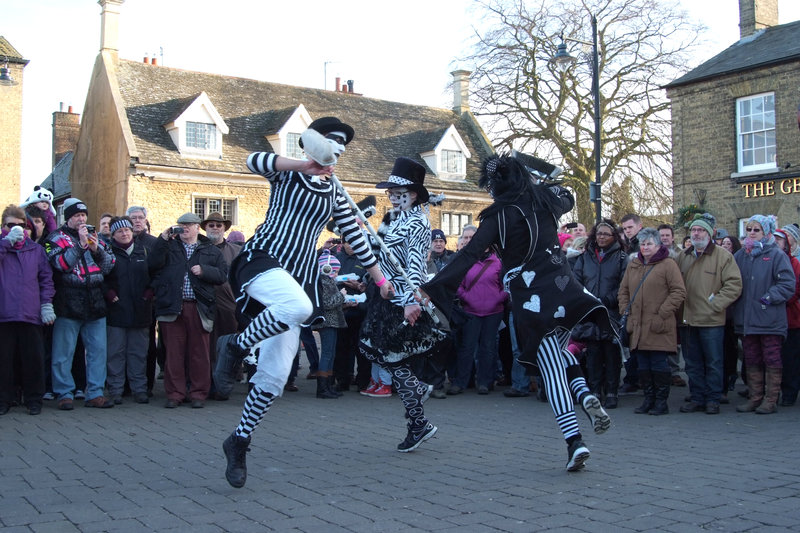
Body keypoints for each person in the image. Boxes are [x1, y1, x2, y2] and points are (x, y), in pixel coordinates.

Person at [215, 117, 392, 488]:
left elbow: (356, 240)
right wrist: (303, 165)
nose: (338, 149)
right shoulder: (288, 174)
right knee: (299, 308)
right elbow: (252, 161)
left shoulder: (335, 193)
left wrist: (380, 278)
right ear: (312, 143)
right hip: (264, 260)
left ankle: (239, 440)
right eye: (332, 142)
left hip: (296, 278)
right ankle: (234, 345)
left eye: (343, 145)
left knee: (276, 376)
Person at [421, 153, 613, 471]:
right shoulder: (548, 202)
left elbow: (468, 254)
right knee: (561, 351)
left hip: (532, 299)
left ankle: (574, 440)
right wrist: (542, 175)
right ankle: (583, 393)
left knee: (551, 370)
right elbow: (563, 187)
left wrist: (432, 288)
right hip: (567, 289)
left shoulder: (498, 218)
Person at [359, 157, 446, 450]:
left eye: (400, 194)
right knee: (388, 357)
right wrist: (361, 229)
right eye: (392, 194)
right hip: (385, 295)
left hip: (401, 300)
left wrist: (410, 302)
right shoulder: (394, 218)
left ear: (413, 195)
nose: (394, 199)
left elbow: (415, 266)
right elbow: (376, 251)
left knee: (395, 360)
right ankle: (419, 413)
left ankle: (419, 423)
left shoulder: (419, 223)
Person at [44, 198, 116, 410]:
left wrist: (96, 249)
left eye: (83, 215)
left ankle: (94, 393)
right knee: (63, 352)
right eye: (77, 216)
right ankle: (64, 392)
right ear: (68, 218)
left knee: (97, 351)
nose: (81, 219)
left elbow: (110, 265)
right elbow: (61, 265)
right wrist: (80, 246)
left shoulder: (97, 237)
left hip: (95, 299)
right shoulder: (54, 238)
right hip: (68, 299)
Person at [151, 213, 227, 408]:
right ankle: (175, 394)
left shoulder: (210, 250)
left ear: (197, 228)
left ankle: (198, 394)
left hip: (199, 307)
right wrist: (162, 239)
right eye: (181, 225)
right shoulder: (169, 246)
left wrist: (204, 271)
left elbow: (222, 275)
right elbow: (152, 265)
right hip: (173, 307)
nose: (184, 228)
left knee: (199, 352)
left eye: (189, 225)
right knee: (174, 353)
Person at [675, 214, 742, 415]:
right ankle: (697, 397)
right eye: (694, 230)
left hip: (711, 320)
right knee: (692, 363)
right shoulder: (683, 256)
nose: (696, 233)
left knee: (713, 362)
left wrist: (715, 304)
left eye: (701, 230)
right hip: (687, 320)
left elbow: (734, 284)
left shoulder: (723, 256)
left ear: (710, 233)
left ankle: (713, 398)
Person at [618, 228, 686, 415]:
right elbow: (623, 291)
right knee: (643, 365)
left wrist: (663, 312)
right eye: (643, 243)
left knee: (658, 364)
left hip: (658, 323)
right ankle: (648, 399)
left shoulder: (668, 265)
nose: (645, 247)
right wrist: (626, 311)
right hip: (637, 324)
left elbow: (678, 291)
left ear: (658, 245)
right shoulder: (634, 265)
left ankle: (661, 401)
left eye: (649, 244)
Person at [733, 215, 795, 414]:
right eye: (749, 229)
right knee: (751, 359)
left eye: (756, 230)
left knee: (772, 359)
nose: (751, 233)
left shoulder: (777, 255)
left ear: (766, 232)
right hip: (747, 320)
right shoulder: (741, 256)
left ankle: (770, 399)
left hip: (769, 319)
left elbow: (787, 284)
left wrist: (769, 297)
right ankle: (755, 397)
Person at [0, 205, 55, 415]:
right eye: (10, 225)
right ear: (3, 226)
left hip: (29, 314)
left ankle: (34, 400)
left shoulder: (36, 250)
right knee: (4, 362)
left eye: (21, 225)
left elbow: (45, 279)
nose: (16, 229)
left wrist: (46, 304)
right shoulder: (2, 246)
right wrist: (6, 244)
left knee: (33, 360)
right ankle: (4, 399)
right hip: (4, 314)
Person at [572, 220, 627, 409]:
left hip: (610, 312)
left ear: (614, 237)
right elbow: (576, 281)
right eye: (599, 234)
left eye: (606, 234)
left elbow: (623, 284)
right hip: (590, 311)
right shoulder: (585, 257)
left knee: (611, 354)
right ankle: (594, 390)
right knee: (593, 353)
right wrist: (588, 300)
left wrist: (607, 300)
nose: (602, 237)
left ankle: (612, 391)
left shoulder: (621, 257)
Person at [103, 216, 154, 404]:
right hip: (116, 310)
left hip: (141, 310)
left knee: (138, 353)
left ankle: (139, 389)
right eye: (119, 231)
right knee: (115, 353)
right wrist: (109, 294)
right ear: (113, 235)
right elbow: (100, 276)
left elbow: (156, 274)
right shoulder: (108, 253)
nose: (124, 234)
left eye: (127, 230)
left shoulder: (145, 251)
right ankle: (115, 389)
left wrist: (149, 292)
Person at [449, 246, 506, 395]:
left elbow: (506, 286)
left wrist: (496, 299)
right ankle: (460, 382)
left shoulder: (498, 263)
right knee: (467, 347)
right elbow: (458, 285)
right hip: (470, 311)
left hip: (493, 312)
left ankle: (484, 382)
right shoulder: (467, 261)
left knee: (488, 347)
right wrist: (468, 298)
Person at [200, 212, 242, 400]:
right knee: (205, 346)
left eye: (218, 225)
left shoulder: (235, 251)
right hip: (204, 303)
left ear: (225, 228)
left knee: (228, 345)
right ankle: (206, 383)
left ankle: (224, 384)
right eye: (211, 225)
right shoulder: (199, 249)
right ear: (206, 228)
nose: (215, 228)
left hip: (229, 305)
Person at [313, 250, 347, 398]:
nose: (337, 273)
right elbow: (327, 303)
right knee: (327, 354)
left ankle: (328, 385)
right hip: (328, 322)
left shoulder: (326, 281)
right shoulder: (324, 282)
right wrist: (342, 295)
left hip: (331, 322)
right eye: (336, 270)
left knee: (330, 353)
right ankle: (322, 388)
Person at [775, 225, 800, 406]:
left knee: (790, 358)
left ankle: (790, 393)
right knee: (775, 358)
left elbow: (795, 288)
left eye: (779, 240)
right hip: (772, 319)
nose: (776, 243)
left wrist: (779, 299)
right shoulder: (768, 260)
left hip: (790, 318)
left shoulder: (794, 263)